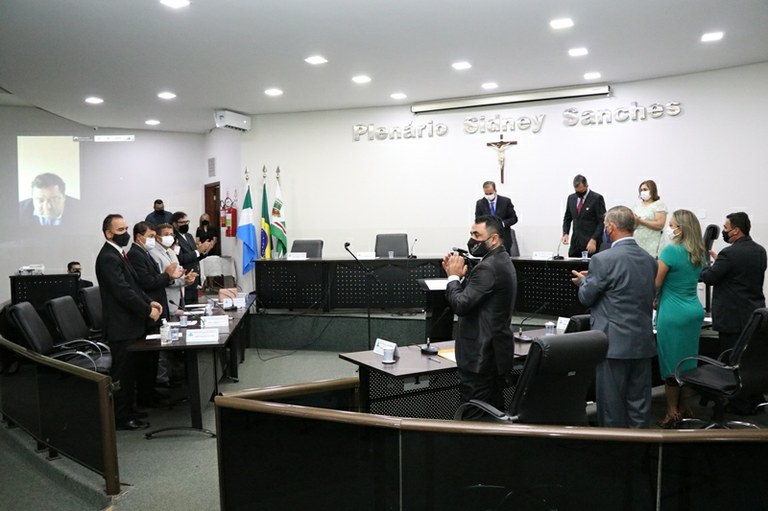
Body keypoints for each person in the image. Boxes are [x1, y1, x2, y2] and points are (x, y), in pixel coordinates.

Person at [571, 206, 657, 428]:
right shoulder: (649, 259)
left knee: (611, 407)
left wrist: (583, 282)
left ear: (610, 228)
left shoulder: (603, 259)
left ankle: (615, 448)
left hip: (613, 344)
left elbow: (586, 297)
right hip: (642, 341)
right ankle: (641, 446)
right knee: (640, 404)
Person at [442, 215, 517, 420]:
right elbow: (479, 298)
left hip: (480, 357)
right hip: (494, 354)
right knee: (492, 413)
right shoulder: (501, 260)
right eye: (471, 234)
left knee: (474, 416)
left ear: (493, 239)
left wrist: (453, 277)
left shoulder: (488, 267)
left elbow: (461, 305)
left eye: (477, 235)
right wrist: (462, 278)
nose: (472, 240)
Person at [95, 214, 163, 430]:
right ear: (108, 233)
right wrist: (147, 311)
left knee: (131, 372)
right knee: (122, 374)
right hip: (121, 326)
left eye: (126, 228)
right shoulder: (108, 257)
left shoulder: (119, 254)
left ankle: (130, 409)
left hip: (131, 324)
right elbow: (123, 292)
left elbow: (134, 286)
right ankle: (121, 417)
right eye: (120, 230)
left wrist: (149, 302)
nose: (125, 233)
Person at [654, 210, 706, 428]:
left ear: (681, 228)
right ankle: (685, 407)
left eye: (672, 224)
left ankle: (671, 412)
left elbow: (656, 283)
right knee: (687, 363)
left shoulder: (671, 251)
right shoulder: (699, 253)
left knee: (671, 365)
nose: (669, 228)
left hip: (673, 313)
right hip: (693, 311)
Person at [700, 212, 767, 354]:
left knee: (730, 358)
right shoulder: (760, 251)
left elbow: (709, 278)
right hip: (753, 315)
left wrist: (704, 265)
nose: (724, 231)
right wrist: (720, 264)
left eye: (726, 228)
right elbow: (741, 273)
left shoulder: (729, 253)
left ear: (735, 230)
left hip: (732, 320)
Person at [172, 212, 213, 304]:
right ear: (174, 224)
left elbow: (195, 256)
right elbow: (180, 259)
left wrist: (205, 251)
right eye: (182, 222)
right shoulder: (174, 238)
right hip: (185, 277)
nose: (185, 224)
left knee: (195, 305)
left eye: (187, 222)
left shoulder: (189, 236)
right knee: (186, 305)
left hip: (195, 277)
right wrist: (198, 251)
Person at [561, 174, 606, 257]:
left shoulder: (597, 198)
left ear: (586, 186)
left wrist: (594, 239)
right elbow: (567, 218)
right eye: (577, 191)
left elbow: (602, 222)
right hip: (576, 243)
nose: (580, 194)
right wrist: (565, 233)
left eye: (581, 191)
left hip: (591, 243)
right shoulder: (571, 198)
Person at [474, 181, 518, 255]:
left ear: (495, 191)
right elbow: (477, 220)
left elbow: (514, 218)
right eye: (486, 194)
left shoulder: (505, 201)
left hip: (504, 239)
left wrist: (502, 223)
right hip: (487, 240)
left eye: (490, 193)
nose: (488, 195)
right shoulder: (480, 203)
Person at [632, 179, 668, 258]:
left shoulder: (659, 204)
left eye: (645, 189)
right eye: (641, 190)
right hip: (638, 241)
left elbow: (660, 225)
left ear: (652, 190)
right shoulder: (637, 206)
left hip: (653, 243)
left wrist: (641, 221)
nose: (643, 192)